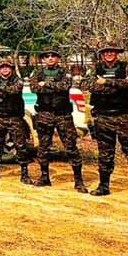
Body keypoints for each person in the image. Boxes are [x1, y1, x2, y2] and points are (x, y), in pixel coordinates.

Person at [85, 44, 128, 205]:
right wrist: (118, 85)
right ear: (102, 55)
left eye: (112, 51)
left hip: (125, 117)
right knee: (105, 154)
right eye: (106, 52)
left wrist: (106, 82)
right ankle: (103, 186)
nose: (109, 54)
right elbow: (90, 87)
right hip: (103, 117)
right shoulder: (94, 69)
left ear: (117, 54)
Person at [29, 48, 87, 192]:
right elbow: (33, 87)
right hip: (44, 114)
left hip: (63, 116)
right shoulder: (37, 73)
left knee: (71, 147)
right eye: (46, 56)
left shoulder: (65, 72)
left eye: (52, 56)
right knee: (43, 148)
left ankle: (79, 181)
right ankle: (44, 177)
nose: (49, 58)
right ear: (43, 59)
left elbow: (64, 86)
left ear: (58, 58)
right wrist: (51, 86)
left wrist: (46, 85)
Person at [0, 56, 29, 182]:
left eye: (7, 67)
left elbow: (15, 90)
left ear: (11, 68)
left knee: (20, 145)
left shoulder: (17, 80)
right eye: (2, 67)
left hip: (14, 118)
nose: (4, 69)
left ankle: (24, 174)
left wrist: (0, 90)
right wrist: (3, 91)